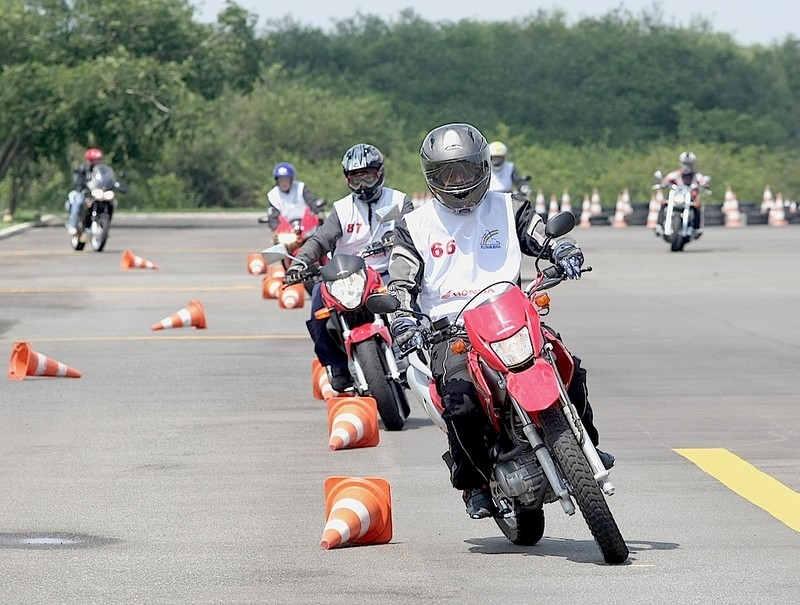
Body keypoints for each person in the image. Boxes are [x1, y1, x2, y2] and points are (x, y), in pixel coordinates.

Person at [386, 123, 613, 520]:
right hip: (450, 329)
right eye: (447, 174)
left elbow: (542, 234)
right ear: (432, 177)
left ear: (483, 167)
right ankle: (473, 483)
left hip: (512, 315)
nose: (458, 182)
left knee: (569, 368)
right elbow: (401, 279)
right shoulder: (414, 226)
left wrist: (563, 249)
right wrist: (404, 316)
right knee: (461, 403)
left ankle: (585, 443)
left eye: (466, 171)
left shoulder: (509, 207)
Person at [283, 143, 414, 392]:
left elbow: (412, 230)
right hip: (347, 276)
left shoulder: (398, 201)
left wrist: (398, 237)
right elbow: (321, 239)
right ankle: (338, 367)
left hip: (388, 272)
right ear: (347, 181)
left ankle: (418, 354)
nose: (362, 185)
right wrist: (299, 262)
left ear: (379, 173)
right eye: (356, 179)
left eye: (367, 176)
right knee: (317, 306)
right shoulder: (342, 209)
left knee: (414, 301)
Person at [656, 151, 711, 237]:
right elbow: (666, 180)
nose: (687, 166)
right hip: (677, 197)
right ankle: (659, 225)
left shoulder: (696, 176)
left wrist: (705, 185)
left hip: (690, 198)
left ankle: (696, 228)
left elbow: (704, 182)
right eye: (685, 163)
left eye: (689, 164)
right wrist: (662, 184)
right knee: (663, 203)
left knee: (697, 206)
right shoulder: (676, 174)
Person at [262, 162, 325, 232]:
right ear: (277, 181)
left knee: (322, 235)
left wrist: (318, 211)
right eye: (281, 180)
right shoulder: (273, 195)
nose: (284, 183)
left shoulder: (301, 188)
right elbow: (273, 216)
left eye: (286, 180)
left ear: (291, 180)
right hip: (287, 230)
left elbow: (312, 201)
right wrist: (274, 225)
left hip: (307, 226)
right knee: (277, 239)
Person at [67, 148, 104, 235]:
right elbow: (77, 179)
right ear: (89, 160)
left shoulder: (102, 171)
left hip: (97, 193)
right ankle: (73, 225)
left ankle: (101, 222)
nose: (97, 162)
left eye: (99, 160)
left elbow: (106, 179)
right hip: (85, 192)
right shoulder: (82, 169)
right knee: (79, 201)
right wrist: (82, 184)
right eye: (95, 160)